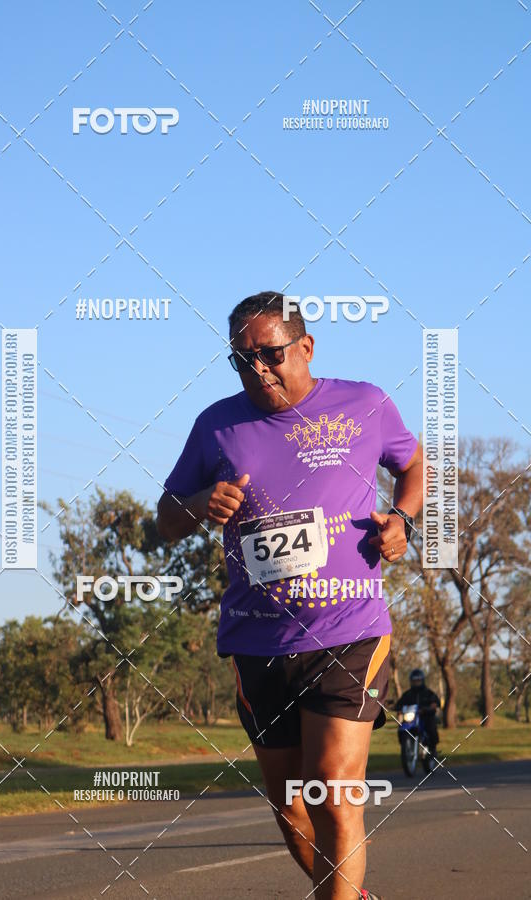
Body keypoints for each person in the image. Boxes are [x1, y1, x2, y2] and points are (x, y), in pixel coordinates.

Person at [157, 291, 423, 900]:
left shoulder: (365, 403)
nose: (258, 369)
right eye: (242, 359)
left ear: (305, 346)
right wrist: (200, 505)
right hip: (258, 637)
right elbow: (167, 517)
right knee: (289, 806)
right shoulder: (216, 425)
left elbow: (412, 466)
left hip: (349, 627)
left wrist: (402, 519)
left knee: (331, 789)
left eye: (270, 354)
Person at [395, 668, 441, 753]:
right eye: (414, 681)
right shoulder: (407, 694)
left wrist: (430, 707)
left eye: (418, 681)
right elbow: (399, 704)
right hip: (411, 718)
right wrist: (397, 708)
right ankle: (405, 746)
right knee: (401, 727)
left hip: (425, 716)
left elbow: (435, 703)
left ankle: (432, 748)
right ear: (411, 681)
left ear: (422, 680)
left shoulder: (429, 693)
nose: (416, 683)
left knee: (431, 727)